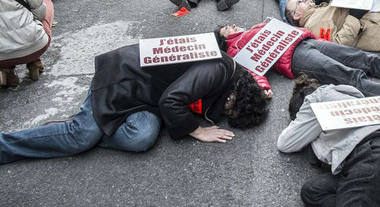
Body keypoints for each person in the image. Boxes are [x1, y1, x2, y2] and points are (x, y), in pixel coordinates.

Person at [0, 44, 269, 164]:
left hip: (149, 94)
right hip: (126, 77)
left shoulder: (232, 77)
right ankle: (7, 147)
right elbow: (173, 100)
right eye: (230, 110)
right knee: (80, 137)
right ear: (235, 96)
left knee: (140, 138)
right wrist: (197, 131)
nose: (224, 112)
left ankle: (90, 126)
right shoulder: (220, 70)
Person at [277, 76, 380, 207]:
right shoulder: (355, 98)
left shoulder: (316, 98)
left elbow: (285, 143)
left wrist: (303, 125)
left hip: (378, 155)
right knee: (312, 192)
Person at [221, 25, 380, 108]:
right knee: (348, 76)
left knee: (364, 58)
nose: (231, 26)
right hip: (295, 59)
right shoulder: (235, 51)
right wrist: (262, 86)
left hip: (308, 41)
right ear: (224, 39)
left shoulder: (257, 26)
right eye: (226, 29)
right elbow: (251, 70)